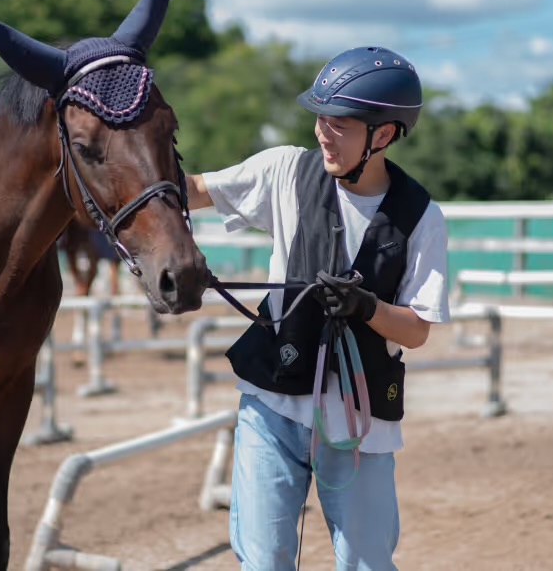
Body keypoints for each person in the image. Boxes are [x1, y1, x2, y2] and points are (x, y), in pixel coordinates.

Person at [184, 46, 450, 571]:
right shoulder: (285, 170)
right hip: (273, 405)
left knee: (366, 564)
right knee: (264, 562)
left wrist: (366, 306)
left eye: (342, 124)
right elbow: (191, 190)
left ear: (386, 134)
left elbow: (417, 329)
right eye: (321, 119)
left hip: (361, 422)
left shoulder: (422, 217)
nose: (324, 132)